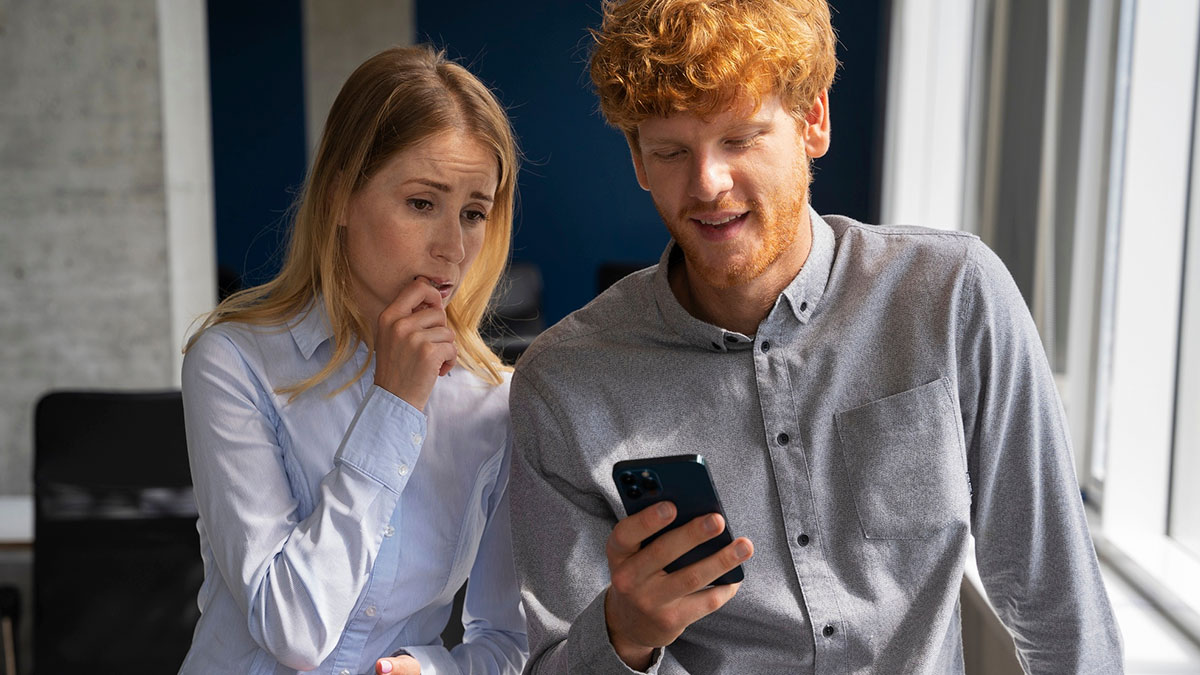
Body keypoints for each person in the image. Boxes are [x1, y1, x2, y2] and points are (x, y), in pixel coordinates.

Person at [508, 1, 1123, 673]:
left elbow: (1059, 608)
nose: (709, 183)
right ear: (638, 162)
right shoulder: (564, 383)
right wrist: (623, 634)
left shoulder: (954, 296)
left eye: (739, 139)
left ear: (813, 121)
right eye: (672, 151)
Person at [179, 45, 527, 675]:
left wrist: (435, 670)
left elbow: (506, 641)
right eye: (422, 203)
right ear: (339, 198)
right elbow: (293, 630)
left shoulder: (493, 403)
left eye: (473, 213)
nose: (452, 247)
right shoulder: (233, 363)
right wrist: (394, 404)